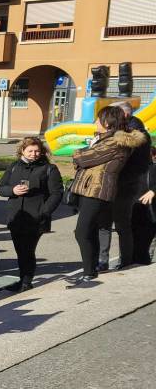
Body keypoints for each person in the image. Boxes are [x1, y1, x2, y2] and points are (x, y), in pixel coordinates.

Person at [69, 106, 146, 282]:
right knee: (91, 229)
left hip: (98, 190)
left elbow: (84, 158)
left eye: (98, 119)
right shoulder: (105, 139)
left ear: (107, 122)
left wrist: (79, 154)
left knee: (82, 231)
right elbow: (87, 159)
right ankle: (91, 270)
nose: (94, 122)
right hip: (90, 188)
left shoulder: (115, 142)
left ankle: (89, 272)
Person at [0, 137, 63, 292]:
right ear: (22, 151)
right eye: (30, 151)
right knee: (20, 249)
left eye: (37, 151)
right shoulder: (14, 166)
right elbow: (1, 188)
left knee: (28, 249)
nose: (34, 154)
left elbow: (56, 193)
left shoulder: (49, 169)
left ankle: (26, 281)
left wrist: (44, 212)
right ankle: (23, 279)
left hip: (36, 218)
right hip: (16, 216)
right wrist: (12, 190)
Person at [98, 101, 153, 270]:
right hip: (119, 184)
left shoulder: (132, 135)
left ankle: (122, 260)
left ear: (124, 115)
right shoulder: (124, 132)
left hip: (124, 186)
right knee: (107, 223)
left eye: (112, 113)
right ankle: (107, 260)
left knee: (120, 224)